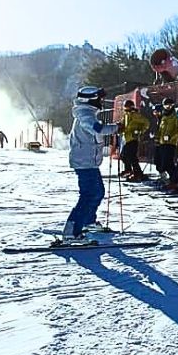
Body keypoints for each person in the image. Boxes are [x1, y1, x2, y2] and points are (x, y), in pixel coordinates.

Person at [61, 86, 118, 243]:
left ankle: (88, 222)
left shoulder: (87, 113)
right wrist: (117, 128)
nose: (101, 101)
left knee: (98, 192)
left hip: (89, 162)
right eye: (98, 98)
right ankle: (71, 231)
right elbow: (97, 129)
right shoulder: (85, 115)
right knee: (88, 195)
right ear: (90, 100)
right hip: (84, 163)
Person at [118, 100, 149, 180]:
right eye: (125, 106)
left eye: (128, 106)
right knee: (124, 155)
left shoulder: (136, 115)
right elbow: (123, 125)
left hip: (133, 138)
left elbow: (146, 123)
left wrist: (140, 131)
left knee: (131, 156)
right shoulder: (126, 115)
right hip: (127, 138)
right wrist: (119, 128)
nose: (126, 108)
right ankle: (130, 170)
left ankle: (136, 173)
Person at [155, 99, 178, 185]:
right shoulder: (164, 117)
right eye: (166, 106)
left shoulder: (175, 116)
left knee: (168, 163)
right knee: (160, 163)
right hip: (162, 143)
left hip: (170, 143)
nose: (168, 107)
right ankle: (167, 180)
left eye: (170, 105)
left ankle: (175, 181)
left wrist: (171, 138)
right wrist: (157, 138)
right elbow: (160, 130)